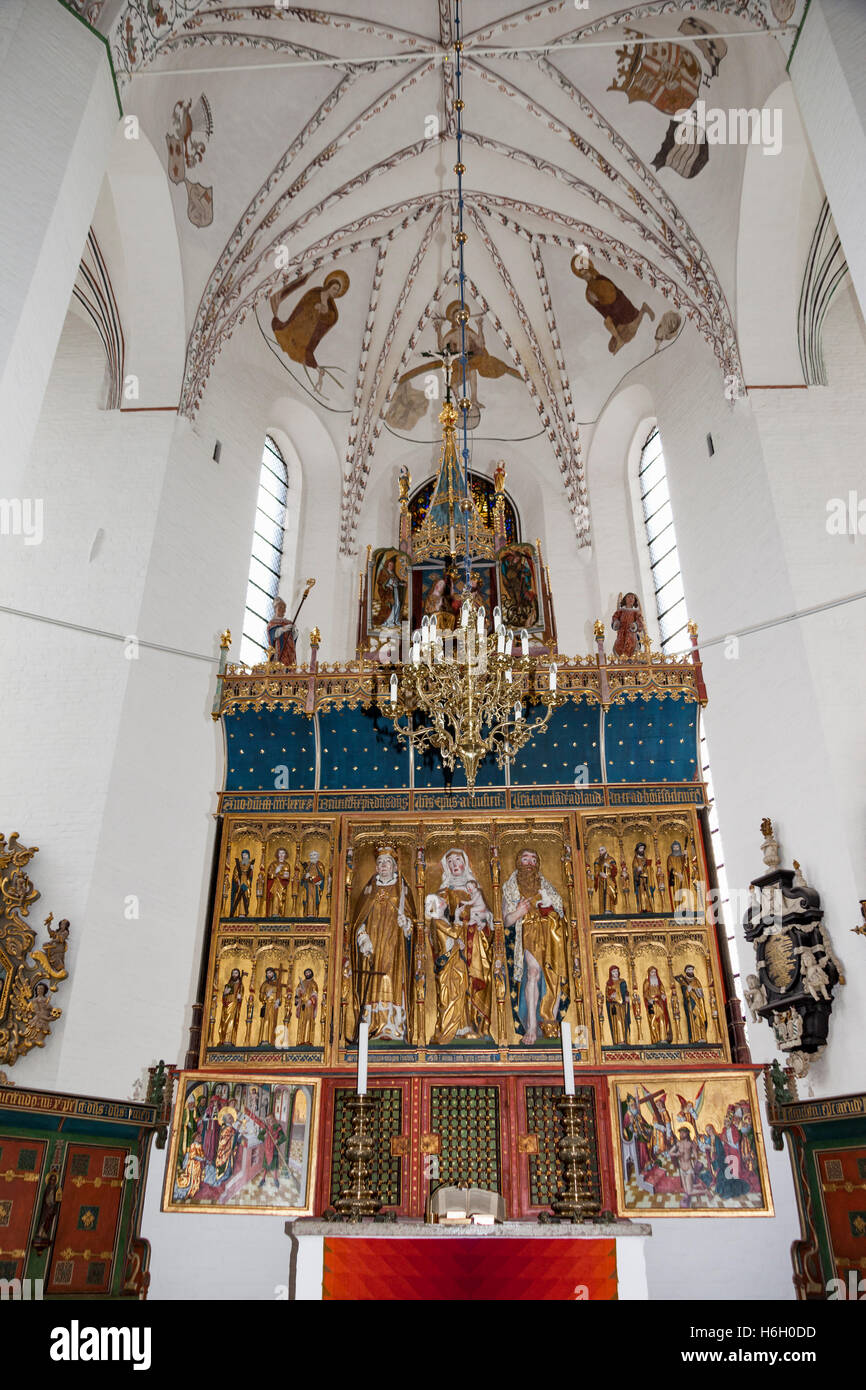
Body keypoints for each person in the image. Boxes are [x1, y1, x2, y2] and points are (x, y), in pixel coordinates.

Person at [424, 849, 495, 1044]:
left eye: (458, 860)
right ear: (447, 867)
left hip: (475, 944)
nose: (455, 864)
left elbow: (488, 921)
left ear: (465, 863)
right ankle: (454, 1027)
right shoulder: (443, 893)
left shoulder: (476, 891)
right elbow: (434, 922)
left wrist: (484, 923)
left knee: (475, 981)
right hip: (454, 947)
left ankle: (475, 1024)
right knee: (455, 984)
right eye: (450, 861)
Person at [350, 846, 418, 1042]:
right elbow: (359, 918)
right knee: (374, 980)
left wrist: (407, 925)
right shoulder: (369, 888)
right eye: (379, 863)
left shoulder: (402, 888)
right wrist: (362, 936)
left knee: (390, 978)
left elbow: (413, 921)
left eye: (387, 862)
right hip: (373, 944)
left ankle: (392, 1025)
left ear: (395, 866)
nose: (383, 866)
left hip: (394, 945)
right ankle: (372, 1024)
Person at [503, 847, 568, 1045]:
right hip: (528, 931)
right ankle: (531, 1026)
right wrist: (519, 912)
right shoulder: (510, 887)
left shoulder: (545, 884)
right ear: (518, 862)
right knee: (532, 972)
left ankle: (550, 1023)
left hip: (550, 932)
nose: (529, 863)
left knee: (554, 974)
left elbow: (560, 909)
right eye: (525, 859)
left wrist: (550, 909)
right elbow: (506, 920)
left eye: (533, 859)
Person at [675, 963, 708, 1042]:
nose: (691, 971)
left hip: (698, 1003)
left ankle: (702, 1036)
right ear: (686, 971)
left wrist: (694, 989)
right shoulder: (683, 982)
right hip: (690, 1003)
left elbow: (701, 993)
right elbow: (684, 994)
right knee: (693, 1020)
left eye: (692, 970)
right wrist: (687, 991)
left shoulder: (696, 981)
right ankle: (695, 1038)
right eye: (689, 970)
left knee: (700, 1018)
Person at [643, 966, 673, 1044]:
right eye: (652, 972)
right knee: (653, 1021)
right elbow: (645, 993)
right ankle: (656, 1038)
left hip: (659, 1003)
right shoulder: (647, 982)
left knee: (662, 1019)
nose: (653, 974)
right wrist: (649, 999)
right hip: (651, 1004)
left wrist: (663, 995)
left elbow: (662, 991)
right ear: (649, 973)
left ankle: (663, 1038)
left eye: (654, 972)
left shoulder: (659, 982)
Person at [266, 597, 297, 667]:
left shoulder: (288, 622)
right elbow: (272, 635)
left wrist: (294, 631)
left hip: (289, 649)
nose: (282, 610)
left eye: (284, 608)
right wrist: (283, 629)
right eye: (280, 608)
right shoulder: (272, 622)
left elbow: (294, 637)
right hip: (279, 648)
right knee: (279, 665)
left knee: (289, 665)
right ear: (275, 609)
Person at [217, 967, 245, 1046]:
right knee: (224, 1023)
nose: (234, 975)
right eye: (233, 973)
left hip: (234, 1005)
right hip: (226, 1006)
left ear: (238, 975)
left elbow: (241, 996)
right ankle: (222, 1039)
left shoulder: (240, 986)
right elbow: (224, 998)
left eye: (236, 973)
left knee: (231, 1022)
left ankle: (228, 1040)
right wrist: (225, 994)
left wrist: (240, 997)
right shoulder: (229, 985)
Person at [605, 965, 630, 1044]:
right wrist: (611, 997)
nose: (615, 973)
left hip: (622, 1005)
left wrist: (626, 996)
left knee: (623, 1021)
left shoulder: (622, 981)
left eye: (616, 971)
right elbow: (607, 995)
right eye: (613, 972)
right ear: (611, 973)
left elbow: (626, 991)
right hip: (614, 1006)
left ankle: (625, 1039)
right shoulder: (609, 983)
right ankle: (619, 1040)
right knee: (617, 1021)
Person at [257, 967, 281, 1046]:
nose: (269, 974)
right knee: (266, 1021)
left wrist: (278, 1001)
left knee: (273, 1022)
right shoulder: (265, 984)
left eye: (270, 973)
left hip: (274, 1006)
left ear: (273, 973)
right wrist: (266, 996)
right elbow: (260, 997)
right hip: (267, 1005)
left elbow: (280, 994)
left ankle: (272, 1041)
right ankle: (264, 1040)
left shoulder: (277, 983)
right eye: (267, 973)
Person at [294, 968, 318, 1045]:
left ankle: (308, 1040)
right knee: (301, 1022)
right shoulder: (302, 983)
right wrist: (299, 994)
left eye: (309, 972)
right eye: (306, 973)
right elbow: (297, 993)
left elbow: (315, 993)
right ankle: (300, 1040)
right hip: (302, 1005)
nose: (307, 974)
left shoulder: (313, 983)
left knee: (308, 1021)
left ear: (311, 973)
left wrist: (311, 1000)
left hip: (309, 1005)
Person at [266, 846, 292, 917]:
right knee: (274, 898)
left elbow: (286, 876)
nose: (281, 855)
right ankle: (273, 913)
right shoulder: (273, 864)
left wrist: (278, 874)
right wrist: (276, 872)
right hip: (273, 885)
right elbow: (269, 875)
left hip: (282, 885)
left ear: (285, 855)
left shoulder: (286, 865)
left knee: (281, 899)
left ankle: (280, 914)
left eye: (283, 853)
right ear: (277, 854)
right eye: (280, 853)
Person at [230, 849, 254, 917]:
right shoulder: (239, 864)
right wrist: (238, 880)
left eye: (246, 855)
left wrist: (251, 870)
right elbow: (235, 874)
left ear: (248, 856)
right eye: (243, 855)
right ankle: (238, 913)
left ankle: (243, 913)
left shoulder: (250, 864)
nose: (244, 856)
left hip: (246, 882)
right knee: (239, 897)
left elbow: (251, 876)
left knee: (246, 896)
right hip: (240, 882)